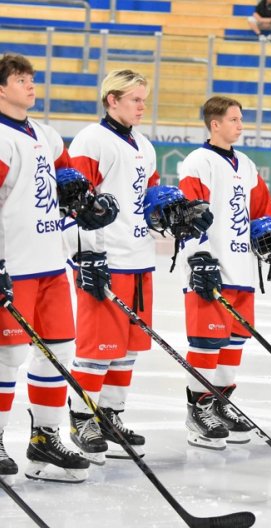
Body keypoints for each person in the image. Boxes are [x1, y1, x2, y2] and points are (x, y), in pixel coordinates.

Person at [0, 53, 92, 483]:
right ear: (2, 87)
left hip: (51, 265)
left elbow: (70, 187)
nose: (31, 85)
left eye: (32, 78)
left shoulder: (47, 135)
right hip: (13, 264)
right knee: (6, 358)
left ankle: (45, 440)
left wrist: (88, 210)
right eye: (21, 79)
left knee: (58, 353)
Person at [66, 69, 159, 464]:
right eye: (135, 99)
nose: (142, 105)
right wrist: (84, 255)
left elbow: (152, 198)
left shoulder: (144, 144)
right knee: (97, 348)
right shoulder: (91, 139)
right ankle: (82, 416)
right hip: (104, 259)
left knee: (127, 348)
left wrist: (173, 213)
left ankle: (110, 414)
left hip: (139, 258)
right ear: (112, 100)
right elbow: (72, 202)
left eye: (143, 99)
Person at [176, 95, 271, 449]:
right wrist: (198, 259)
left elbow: (264, 211)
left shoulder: (246, 165)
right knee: (206, 343)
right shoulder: (197, 162)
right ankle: (198, 409)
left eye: (240, 118)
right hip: (210, 269)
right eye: (234, 119)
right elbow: (186, 216)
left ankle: (221, 401)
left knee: (233, 342)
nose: (240, 125)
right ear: (214, 124)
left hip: (242, 269)